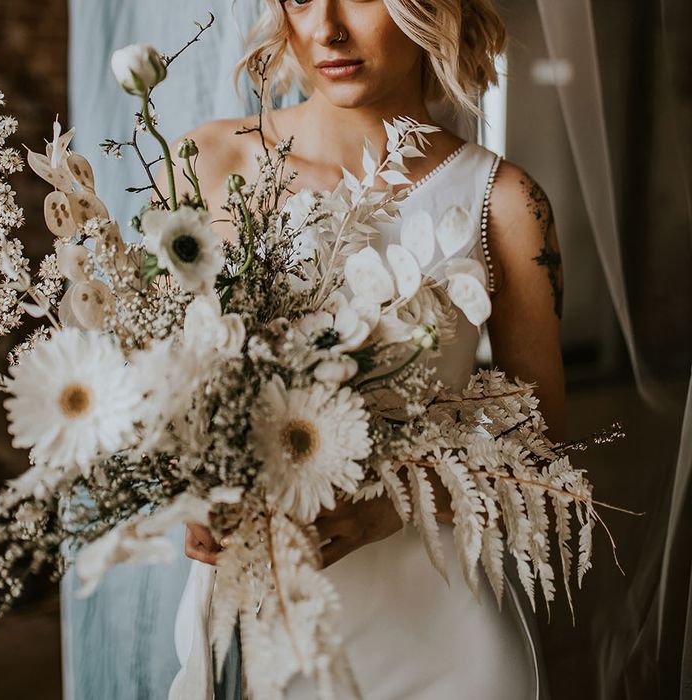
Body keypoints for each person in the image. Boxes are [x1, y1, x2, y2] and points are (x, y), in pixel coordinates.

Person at [158, 0, 566, 697]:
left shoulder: (504, 202)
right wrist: (187, 488)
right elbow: (160, 380)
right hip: (261, 620)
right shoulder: (207, 164)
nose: (327, 28)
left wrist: (392, 503)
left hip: (443, 645)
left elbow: (544, 445)